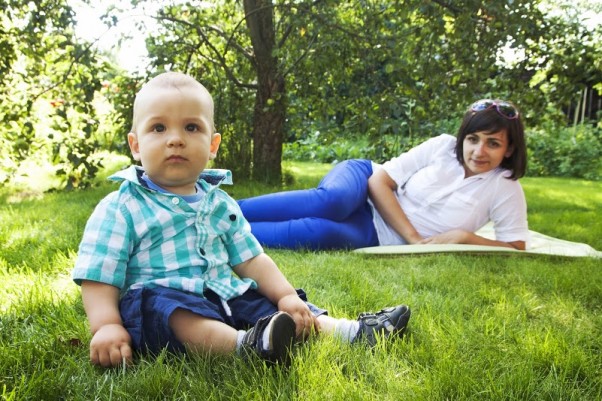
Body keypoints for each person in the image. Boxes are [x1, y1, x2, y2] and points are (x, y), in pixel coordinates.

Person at [72, 72, 411, 369]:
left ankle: (351, 332)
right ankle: (243, 347)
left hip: (225, 295)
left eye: (192, 127)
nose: (175, 138)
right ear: (135, 144)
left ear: (212, 145)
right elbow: (100, 275)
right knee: (172, 309)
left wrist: (286, 295)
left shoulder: (220, 202)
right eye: (158, 128)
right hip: (163, 304)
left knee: (272, 305)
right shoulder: (122, 206)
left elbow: (252, 259)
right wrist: (106, 326)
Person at [238, 99, 529, 251]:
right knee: (333, 202)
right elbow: (380, 182)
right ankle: (224, 210)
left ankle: (223, 232)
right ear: (463, 138)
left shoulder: (505, 187)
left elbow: (516, 245)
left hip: (379, 234)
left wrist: (465, 237)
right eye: (473, 139)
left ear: (509, 148)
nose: (479, 151)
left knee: (321, 231)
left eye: (493, 143)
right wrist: (414, 238)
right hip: (363, 184)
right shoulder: (442, 146)